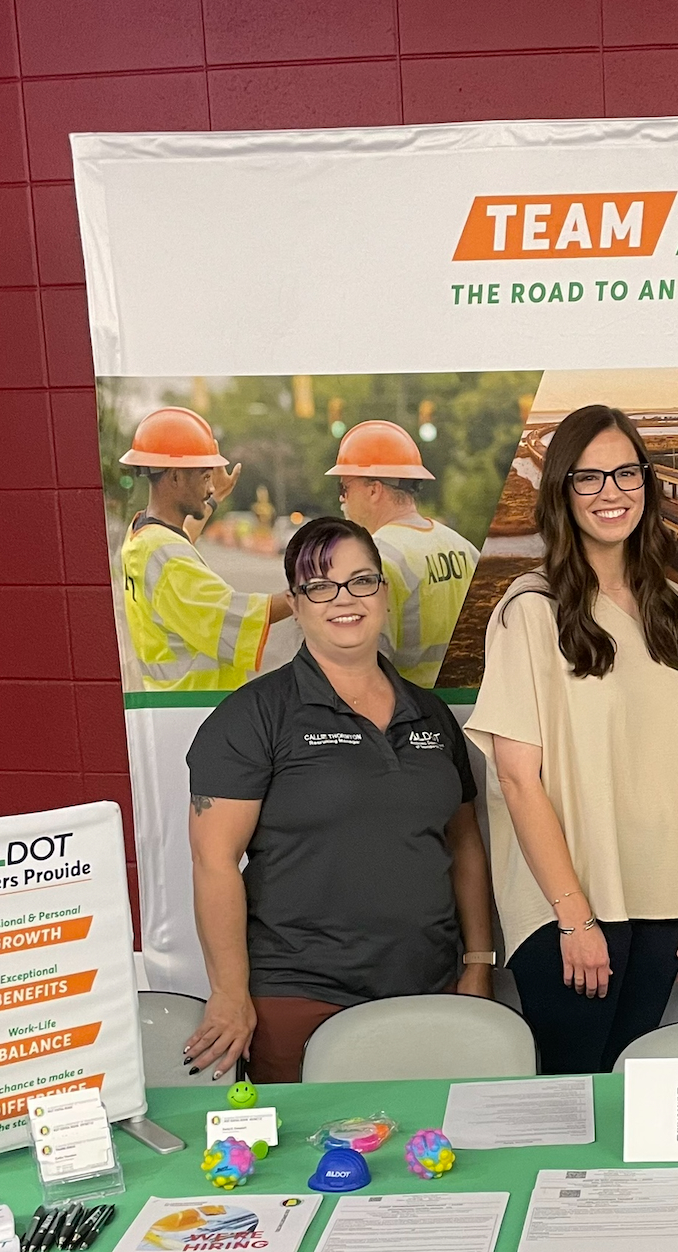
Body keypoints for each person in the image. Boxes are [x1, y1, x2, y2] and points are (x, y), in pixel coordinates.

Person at [465, 405, 678, 1073]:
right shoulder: (531, 610)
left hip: (663, 901)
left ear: (647, 482)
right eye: (588, 478)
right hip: (570, 908)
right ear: (560, 492)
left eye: (624, 473)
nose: (610, 493)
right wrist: (575, 918)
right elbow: (517, 778)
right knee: (571, 1105)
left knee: (627, 1103)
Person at [181, 517, 496, 1083]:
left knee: (434, 1160)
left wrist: (477, 962)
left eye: (361, 581)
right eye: (319, 586)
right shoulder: (254, 716)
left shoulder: (430, 714)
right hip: (301, 997)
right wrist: (229, 993)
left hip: (428, 989)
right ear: (296, 605)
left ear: (383, 592)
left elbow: (464, 842)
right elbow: (213, 861)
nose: (343, 599)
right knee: (315, 1168)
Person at [117, 406, 293, 692]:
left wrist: (214, 500)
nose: (210, 487)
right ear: (175, 477)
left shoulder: (143, 533)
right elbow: (233, 614)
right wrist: (311, 590)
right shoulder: (167, 556)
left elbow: (181, 538)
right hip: (192, 707)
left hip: (170, 703)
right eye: (204, 476)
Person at [326, 419, 481, 688]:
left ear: (374, 490)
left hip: (408, 718)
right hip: (468, 711)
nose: (342, 499)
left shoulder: (375, 559)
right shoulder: (464, 548)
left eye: (344, 488)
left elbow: (366, 672)